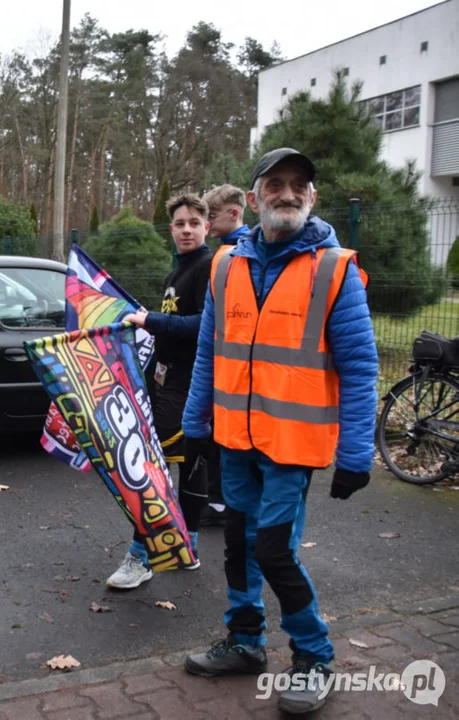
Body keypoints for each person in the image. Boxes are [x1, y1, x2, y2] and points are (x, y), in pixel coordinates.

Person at [181, 148, 377, 715]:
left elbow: (361, 368)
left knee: (274, 551)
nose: (287, 194)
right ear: (254, 197)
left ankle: (314, 658)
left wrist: (357, 453)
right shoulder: (225, 265)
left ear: (312, 197)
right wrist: (196, 426)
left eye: (298, 186)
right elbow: (208, 352)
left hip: (292, 447)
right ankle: (244, 643)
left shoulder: (335, 269)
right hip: (234, 441)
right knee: (239, 549)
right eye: (275, 185)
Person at [107, 193, 213, 589]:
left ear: (206, 226)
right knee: (187, 467)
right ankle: (187, 548)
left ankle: (143, 556)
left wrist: (151, 320)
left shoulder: (210, 267)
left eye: (194, 223)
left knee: (152, 470)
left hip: (192, 387)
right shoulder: (176, 274)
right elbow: (172, 324)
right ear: (171, 229)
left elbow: (207, 326)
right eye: (180, 223)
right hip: (167, 385)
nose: (186, 229)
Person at [197, 183, 254, 526]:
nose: (207, 225)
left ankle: (222, 503)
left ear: (235, 213)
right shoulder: (224, 252)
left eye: (211, 217)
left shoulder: (239, 253)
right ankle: (220, 500)